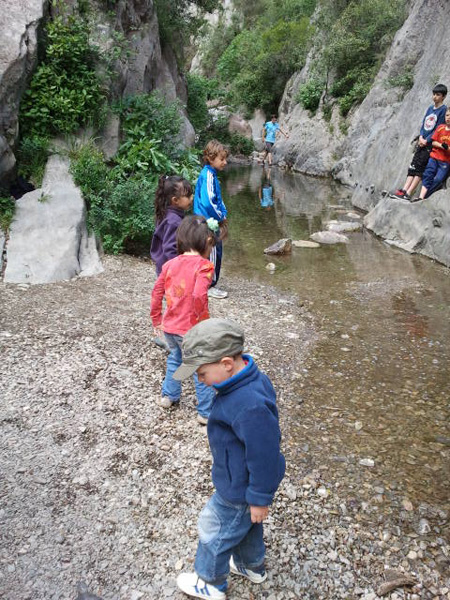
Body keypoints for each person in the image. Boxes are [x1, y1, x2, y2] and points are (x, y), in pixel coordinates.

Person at [174, 318, 285, 600]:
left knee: (215, 529)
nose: (199, 380)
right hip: (240, 479)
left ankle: (210, 581)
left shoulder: (248, 404)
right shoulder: (244, 380)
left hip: (238, 486)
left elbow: (265, 454)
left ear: (226, 363)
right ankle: (252, 566)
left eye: (201, 373)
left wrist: (259, 497)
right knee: (247, 525)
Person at [150, 215, 218, 424]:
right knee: (200, 365)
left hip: (170, 327)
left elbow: (157, 291)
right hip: (190, 328)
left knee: (175, 359)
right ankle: (205, 412)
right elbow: (198, 296)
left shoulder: (169, 264)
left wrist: (156, 319)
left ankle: (169, 396)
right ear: (207, 242)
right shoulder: (204, 267)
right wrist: (203, 321)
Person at [390, 84, 447, 200]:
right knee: (413, 165)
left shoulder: (443, 110)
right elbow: (424, 124)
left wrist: (427, 140)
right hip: (422, 141)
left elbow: (438, 128)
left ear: (443, 97)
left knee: (420, 169)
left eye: (438, 95)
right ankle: (404, 190)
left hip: (430, 145)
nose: (435, 97)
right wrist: (421, 136)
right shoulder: (430, 108)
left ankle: (409, 193)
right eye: (434, 94)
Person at [194, 140, 229, 300]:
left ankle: (202, 282)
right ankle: (209, 285)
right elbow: (208, 201)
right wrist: (221, 217)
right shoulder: (208, 175)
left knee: (206, 252)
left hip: (206, 220)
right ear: (210, 158)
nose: (225, 162)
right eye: (222, 159)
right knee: (213, 250)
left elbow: (217, 199)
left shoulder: (210, 174)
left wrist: (223, 211)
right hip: (208, 221)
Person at [150, 175, 194, 276]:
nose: (192, 198)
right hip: (170, 271)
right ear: (175, 200)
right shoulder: (173, 221)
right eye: (188, 196)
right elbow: (170, 248)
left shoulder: (165, 213)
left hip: (164, 267)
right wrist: (179, 270)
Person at [412, 107, 450, 202]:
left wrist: (447, 148)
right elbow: (433, 142)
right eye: (447, 115)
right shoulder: (440, 128)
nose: (448, 118)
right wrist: (442, 145)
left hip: (445, 161)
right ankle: (421, 197)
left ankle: (425, 197)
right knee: (427, 175)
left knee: (438, 179)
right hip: (434, 157)